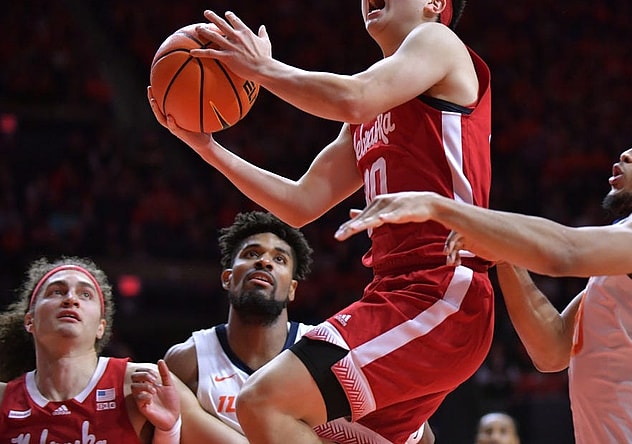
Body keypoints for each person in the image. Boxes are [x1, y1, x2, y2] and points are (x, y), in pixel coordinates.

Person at [148, 1, 491, 443]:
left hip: (442, 292)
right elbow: (300, 201)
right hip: (398, 294)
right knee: (311, 429)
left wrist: (263, 68)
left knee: (262, 402)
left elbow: (352, 96)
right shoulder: (370, 109)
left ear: (434, 4)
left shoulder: (437, 41)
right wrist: (205, 147)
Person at [335, 118, 632, 443]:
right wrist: (504, 254)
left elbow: (565, 252)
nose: (626, 153)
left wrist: (441, 206)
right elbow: (552, 348)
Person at [163, 210, 433, 443]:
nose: (264, 261)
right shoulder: (188, 360)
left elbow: (422, 437)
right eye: (251, 253)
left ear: (293, 289)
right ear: (227, 277)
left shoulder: (329, 351)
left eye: (279, 259)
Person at [0, 256, 247, 444]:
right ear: (29, 320)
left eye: (85, 294)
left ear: (100, 326)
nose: (70, 299)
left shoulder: (140, 382)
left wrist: (168, 431)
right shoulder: (4, 400)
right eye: (57, 291)